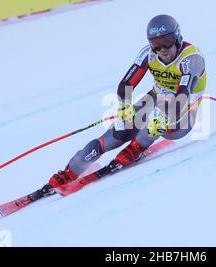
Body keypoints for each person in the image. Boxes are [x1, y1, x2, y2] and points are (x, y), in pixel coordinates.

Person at [47, 14, 207, 189]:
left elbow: (183, 96)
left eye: (167, 42)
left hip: (184, 109)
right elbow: (127, 83)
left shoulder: (191, 59)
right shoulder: (148, 54)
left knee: (159, 126)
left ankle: (136, 147)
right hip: (157, 97)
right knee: (117, 134)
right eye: (156, 44)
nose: (162, 50)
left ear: (177, 38)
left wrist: (165, 118)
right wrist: (125, 106)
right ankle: (69, 172)